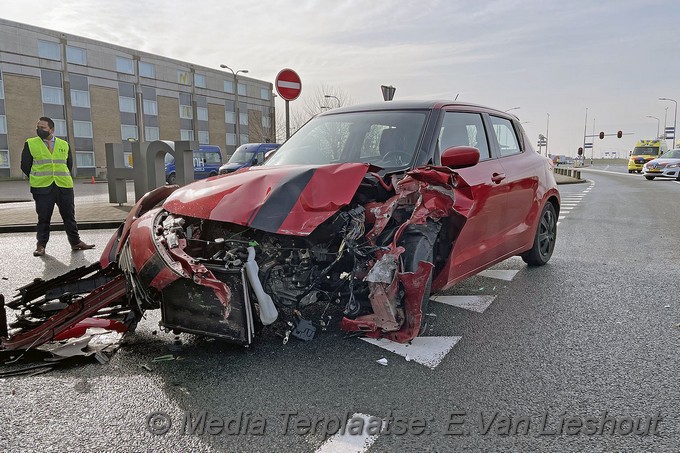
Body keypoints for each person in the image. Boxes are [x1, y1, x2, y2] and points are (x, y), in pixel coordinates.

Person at [20, 117, 95, 256]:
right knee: (43, 218)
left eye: (42, 127)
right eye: (38, 127)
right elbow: (25, 166)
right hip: (42, 188)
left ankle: (75, 242)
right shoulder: (30, 143)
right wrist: (37, 176)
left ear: (51, 130)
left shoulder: (64, 144)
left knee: (69, 216)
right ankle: (41, 246)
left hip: (63, 186)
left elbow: (69, 164)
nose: (39, 130)